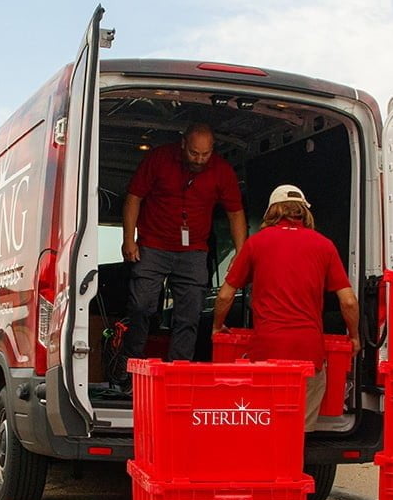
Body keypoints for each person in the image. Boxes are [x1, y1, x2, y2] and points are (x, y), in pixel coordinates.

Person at [212, 184, 360, 430]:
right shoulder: (324, 245)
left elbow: (226, 295)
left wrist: (217, 327)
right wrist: (354, 337)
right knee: (295, 433)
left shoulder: (256, 243)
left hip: (265, 351)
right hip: (308, 352)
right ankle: (290, 464)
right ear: (304, 212)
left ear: (272, 212)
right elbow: (349, 301)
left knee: (265, 425)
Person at [119, 123, 247, 376]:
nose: (199, 160)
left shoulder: (222, 170)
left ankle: (179, 371)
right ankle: (128, 368)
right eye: (194, 153)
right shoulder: (159, 158)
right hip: (153, 245)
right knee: (142, 305)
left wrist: (241, 253)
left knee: (189, 315)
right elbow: (134, 197)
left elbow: (236, 213)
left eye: (205, 154)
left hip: (194, 251)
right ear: (183, 144)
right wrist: (128, 238)